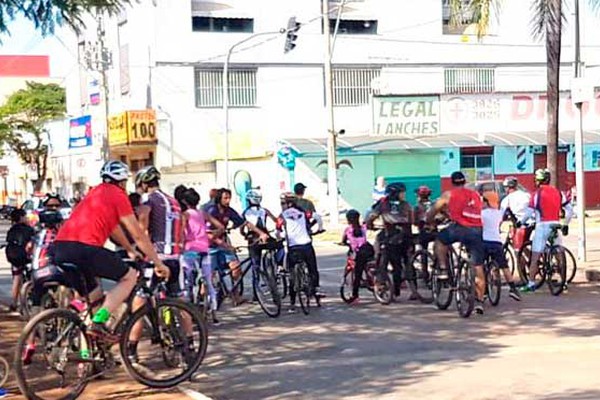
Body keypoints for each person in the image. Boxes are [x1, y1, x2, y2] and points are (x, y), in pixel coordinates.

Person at [50, 161, 169, 344]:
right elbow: (137, 233)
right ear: (122, 181)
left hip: (60, 249)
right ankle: (99, 322)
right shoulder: (119, 195)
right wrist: (158, 263)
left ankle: (87, 358)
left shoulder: (94, 193)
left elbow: (113, 228)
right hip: (84, 249)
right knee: (130, 276)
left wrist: (129, 250)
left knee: (94, 299)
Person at [427, 171, 487, 315]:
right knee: (478, 266)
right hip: (477, 229)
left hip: (460, 228)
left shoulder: (449, 194)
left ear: (452, 182)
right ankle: (479, 301)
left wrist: (429, 223)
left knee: (440, 241)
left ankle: (442, 268)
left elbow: (433, 210)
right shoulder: (474, 194)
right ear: (464, 181)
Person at [206, 188, 268, 305]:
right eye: (225, 198)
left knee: (236, 268)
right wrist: (225, 244)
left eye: (229, 198)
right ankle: (202, 303)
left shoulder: (229, 211)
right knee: (210, 275)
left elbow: (245, 223)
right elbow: (209, 234)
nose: (228, 200)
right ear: (219, 199)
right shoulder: (211, 211)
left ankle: (236, 296)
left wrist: (261, 233)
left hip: (224, 244)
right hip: (211, 247)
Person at [365, 182, 422, 301]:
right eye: (402, 192)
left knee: (385, 261)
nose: (404, 194)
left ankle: (384, 285)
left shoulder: (383, 204)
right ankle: (414, 291)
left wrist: (370, 225)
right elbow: (412, 220)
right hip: (406, 237)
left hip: (390, 237)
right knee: (408, 263)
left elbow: (370, 217)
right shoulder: (406, 205)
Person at [518, 168, 572, 293]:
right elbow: (570, 210)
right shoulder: (559, 193)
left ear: (538, 181)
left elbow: (529, 212)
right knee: (558, 252)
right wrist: (565, 224)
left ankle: (531, 283)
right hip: (556, 224)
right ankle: (563, 281)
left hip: (542, 225)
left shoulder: (536, 194)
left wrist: (520, 222)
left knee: (535, 255)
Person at [179, 188, 224, 324]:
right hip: (204, 250)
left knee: (188, 283)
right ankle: (214, 313)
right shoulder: (202, 213)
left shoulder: (185, 215)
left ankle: (190, 311)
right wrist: (210, 237)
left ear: (185, 201)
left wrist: (181, 245)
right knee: (209, 282)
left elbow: (181, 233)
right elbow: (221, 227)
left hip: (190, 251)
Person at [278, 193, 323, 313]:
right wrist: (319, 228)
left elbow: (278, 230)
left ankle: (292, 304)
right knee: (312, 268)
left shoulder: (282, 216)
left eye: (283, 203)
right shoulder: (304, 212)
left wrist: (279, 236)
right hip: (306, 245)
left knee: (292, 275)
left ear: (287, 203)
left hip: (293, 247)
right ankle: (316, 288)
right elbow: (318, 217)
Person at [481, 191, 521, 301]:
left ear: (486, 202)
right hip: (497, 242)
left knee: (481, 267)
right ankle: (513, 289)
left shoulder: (482, 214)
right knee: (504, 266)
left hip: (484, 242)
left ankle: (483, 292)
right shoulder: (499, 213)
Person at [242, 189, 280, 293]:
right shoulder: (265, 210)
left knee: (255, 265)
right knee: (279, 246)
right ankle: (278, 267)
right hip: (267, 238)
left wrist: (244, 234)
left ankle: (256, 291)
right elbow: (276, 221)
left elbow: (243, 227)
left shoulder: (246, 212)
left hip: (253, 240)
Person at [341, 209, 374, 305]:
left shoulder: (348, 230)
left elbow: (343, 240)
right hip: (369, 250)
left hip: (359, 253)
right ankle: (370, 278)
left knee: (357, 274)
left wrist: (344, 243)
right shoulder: (363, 227)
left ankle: (355, 295)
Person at [5, 208, 35, 312]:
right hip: (24, 257)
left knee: (16, 278)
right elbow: (32, 244)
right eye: (25, 216)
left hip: (13, 257)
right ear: (21, 218)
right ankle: (27, 303)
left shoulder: (12, 230)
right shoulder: (29, 229)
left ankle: (14, 302)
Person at [413, 185, 437, 251]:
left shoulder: (417, 206)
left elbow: (414, 221)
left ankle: (424, 259)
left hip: (423, 232)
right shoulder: (434, 204)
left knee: (423, 247)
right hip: (435, 231)